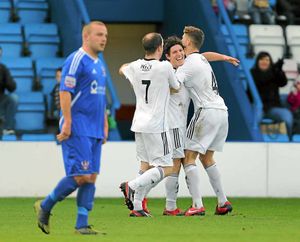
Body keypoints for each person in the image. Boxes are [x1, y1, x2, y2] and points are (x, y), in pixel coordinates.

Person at [34, 21, 109, 235]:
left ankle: (81, 224)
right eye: (99, 34)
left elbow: (100, 96)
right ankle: (45, 205)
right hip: (77, 125)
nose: (104, 38)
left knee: (91, 175)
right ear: (86, 36)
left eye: (105, 35)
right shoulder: (76, 60)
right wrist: (67, 121)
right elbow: (65, 91)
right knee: (81, 175)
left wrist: (103, 123)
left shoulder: (99, 64)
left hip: (94, 127)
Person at [162, 36, 239, 216]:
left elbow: (175, 85)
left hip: (205, 112)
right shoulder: (200, 59)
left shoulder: (185, 66)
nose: (180, 48)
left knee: (188, 157)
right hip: (221, 110)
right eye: (176, 50)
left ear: (188, 42)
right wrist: (224, 57)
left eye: (182, 41)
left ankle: (196, 205)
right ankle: (222, 201)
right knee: (207, 158)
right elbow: (207, 55)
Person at [119, 32, 181, 217]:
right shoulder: (164, 67)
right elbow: (176, 86)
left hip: (139, 124)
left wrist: (134, 81)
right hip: (156, 125)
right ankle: (132, 185)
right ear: (161, 48)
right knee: (168, 167)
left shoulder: (136, 66)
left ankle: (137, 206)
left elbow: (121, 68)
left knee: (145, 165)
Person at [250, 51, 293, 139]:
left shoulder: (274, 72)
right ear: (257, 61)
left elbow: (283, 83)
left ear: (270, 62)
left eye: (267, 60)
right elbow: (260, 81)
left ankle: (290, 140)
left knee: (287, 116)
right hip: (258, 107)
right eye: (261, 59)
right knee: (254, 119)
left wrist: (279, 70)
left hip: (273, 108)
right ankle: (254, 141)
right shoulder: (253, 73)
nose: (264, 62)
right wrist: (274, 71)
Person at [0, 46, 18, 135]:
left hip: (1, 99)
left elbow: (12, 87)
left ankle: (8, 128)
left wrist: (6, 81)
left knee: (13, 98)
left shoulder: (3, 68)